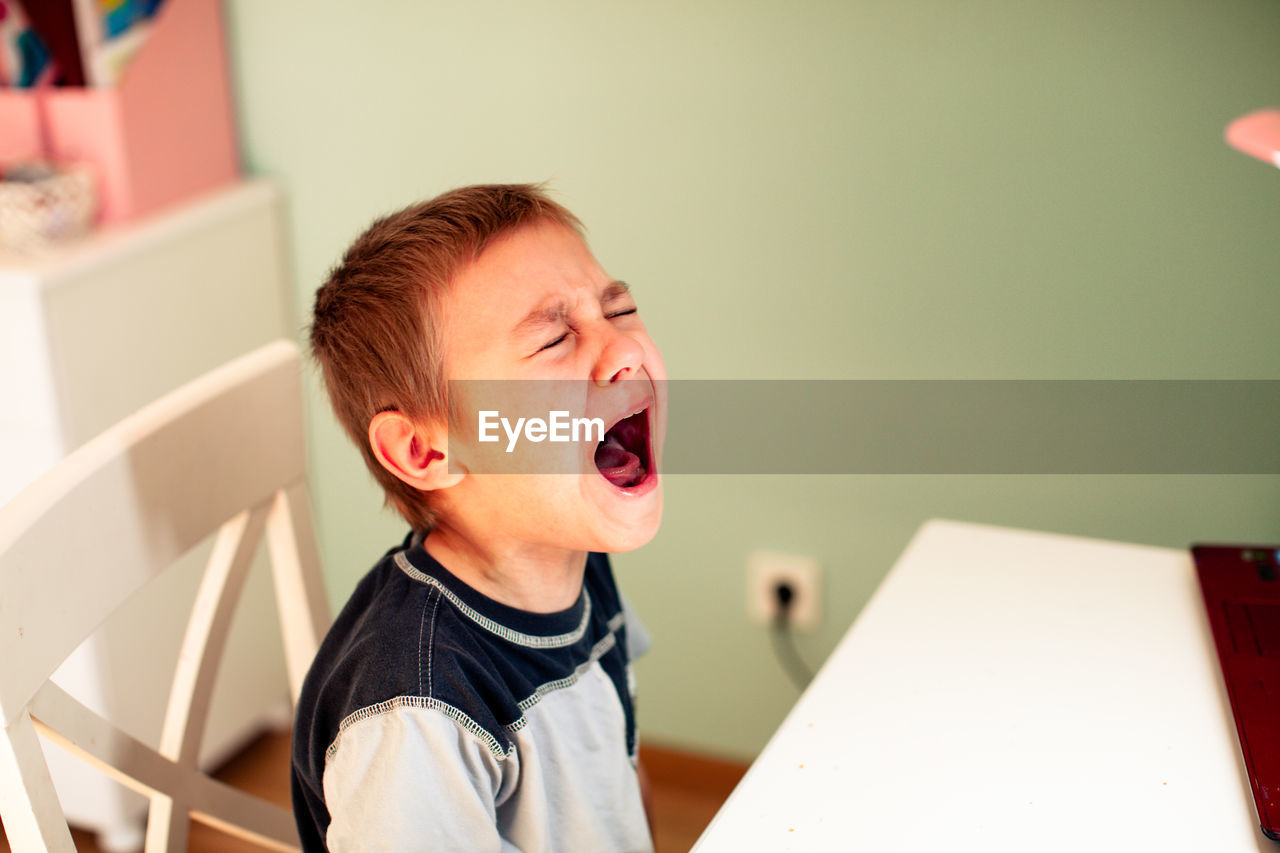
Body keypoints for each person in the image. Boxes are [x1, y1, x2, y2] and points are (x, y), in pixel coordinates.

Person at [292, 184, 666, 852]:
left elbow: (621, 762)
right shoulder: (418, 717)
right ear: (427, 449)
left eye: (622, 309)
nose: (625, 351)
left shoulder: (576, 551)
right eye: (555, 339)